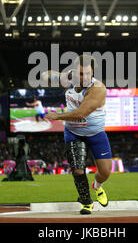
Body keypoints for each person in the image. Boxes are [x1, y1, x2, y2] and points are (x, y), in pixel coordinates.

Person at [42, 55, 112, 215]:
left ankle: (97, 186)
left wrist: (57, 116)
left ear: (92, 72)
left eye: (88, 73)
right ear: (74, 72)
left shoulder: (98, 89)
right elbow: (46, 75)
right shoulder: (68, 79)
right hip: (74, 132)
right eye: (81, 74)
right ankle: (86, 202)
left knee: (106, 172)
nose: (85, 77)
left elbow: (81, 113)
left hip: (96, 133)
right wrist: (51, 76)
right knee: (78, 169)